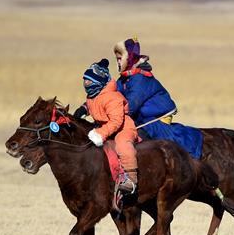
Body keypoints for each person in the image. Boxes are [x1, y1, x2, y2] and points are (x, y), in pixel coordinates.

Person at [112, 37, 203, 159]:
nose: (118, 62)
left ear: (129, 58)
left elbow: (131, 105)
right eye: (116, 59)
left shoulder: (140, 78)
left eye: (120, 59)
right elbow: (112, 94)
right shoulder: (125, 78)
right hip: (143, 116)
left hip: (156, 117)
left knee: (138, 138)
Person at [82, 59, 138, 193]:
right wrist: (83, 110)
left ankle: (131, 179)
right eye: (84, 81)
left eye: (89, 81)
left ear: (99, 82)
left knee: (123, 146)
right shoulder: (93, 96)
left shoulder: (113, 97)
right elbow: (94, 105)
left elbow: (116, 121)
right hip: (103, 127)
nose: (86, 84)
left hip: (122, 128)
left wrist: (100, 133)